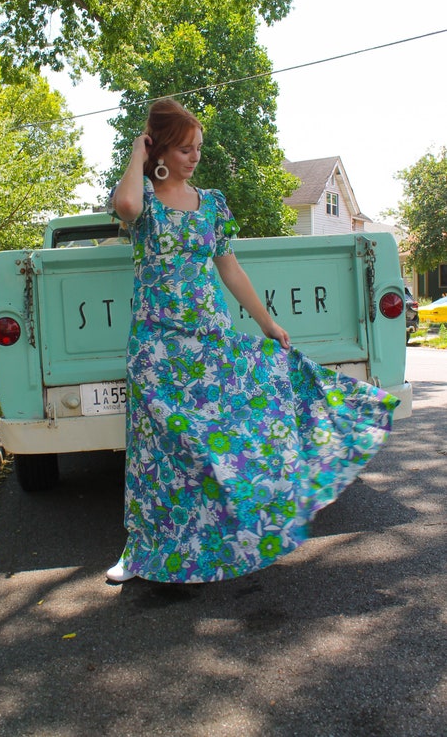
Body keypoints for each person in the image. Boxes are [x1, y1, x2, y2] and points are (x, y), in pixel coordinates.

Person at [106, 97, 398, 584]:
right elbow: (127, 205)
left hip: (210, 340)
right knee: (156, 452)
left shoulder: (212, 203)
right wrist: (137, 153)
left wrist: (265, 322)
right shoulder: (146, 201)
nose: (194, 157)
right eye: (183, 149)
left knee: (220, 440)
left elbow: (230, 269)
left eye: (198, 147)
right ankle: (139, 549)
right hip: (156, 349)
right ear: (158, 148)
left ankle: (217, 534)